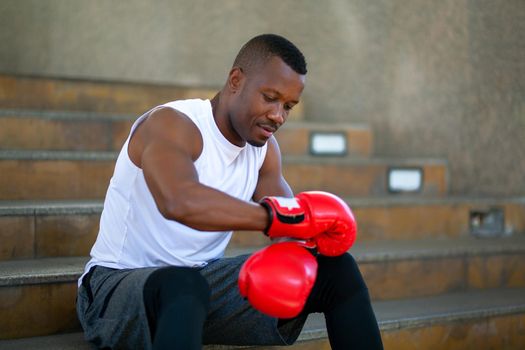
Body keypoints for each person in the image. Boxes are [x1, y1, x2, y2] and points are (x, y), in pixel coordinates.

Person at [76, 33, 383, 350]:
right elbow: (179, 200)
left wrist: (299, 247)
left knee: (336, 270)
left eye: (288, 106)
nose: (278, 115)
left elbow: (287, 223)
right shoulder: (173, 123)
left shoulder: (263, 151)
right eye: (269, 97)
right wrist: (273, 218)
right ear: (236, 80)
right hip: (116, 288)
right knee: (183, 284)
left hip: (200, 289)